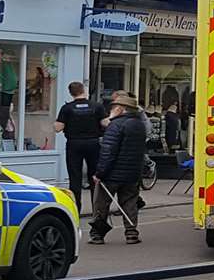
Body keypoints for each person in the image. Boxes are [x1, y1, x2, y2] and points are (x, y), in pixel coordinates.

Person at [89, 91, 148, 245]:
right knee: (130, 203)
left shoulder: (116, 125)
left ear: (121, 109)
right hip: (132, 173)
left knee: (101, 205)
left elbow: (108, 151)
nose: (111, 110)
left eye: (114, 107)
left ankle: (97, 234)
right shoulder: (139, 125)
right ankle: (131, 233)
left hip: (112, 174)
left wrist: (99, 173)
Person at [53, 82, 106, 210]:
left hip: (74, 144)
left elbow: (58, 128)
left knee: (75, 176)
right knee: (94, 176)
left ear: (71, 93)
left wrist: (54, 123)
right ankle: (97, 208)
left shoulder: (67, 108)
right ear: (84, 91)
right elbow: (105, 123)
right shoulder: (97, 106)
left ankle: (76, 207)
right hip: (93, 143)